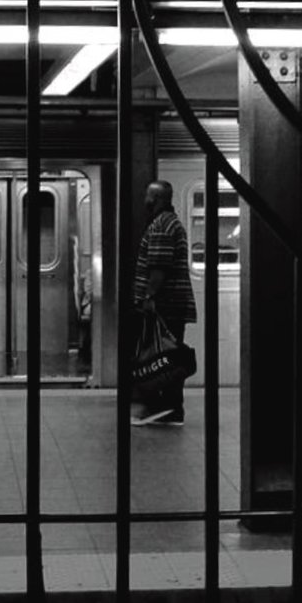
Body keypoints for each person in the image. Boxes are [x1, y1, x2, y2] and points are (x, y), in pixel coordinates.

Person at [131, 180, 197, 426]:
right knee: (166, 355)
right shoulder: (170, 222)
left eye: (148, 196)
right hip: (170, 303)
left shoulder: (161, 226)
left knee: (165, 357)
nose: (145, 201)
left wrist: (148, 297)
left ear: (156, 199)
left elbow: (159, 267)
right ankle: (166, 407)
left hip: (165, 305)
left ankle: (170, 408)